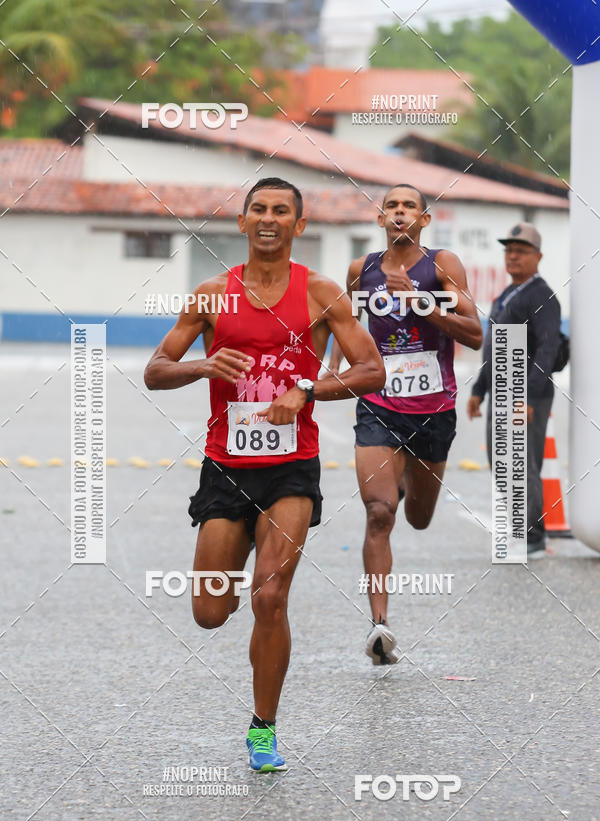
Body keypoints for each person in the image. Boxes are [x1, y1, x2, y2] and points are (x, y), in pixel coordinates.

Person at [144, 177, 385, 772]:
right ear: (243, 222)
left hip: (290, 472)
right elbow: (155, 370)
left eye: (282, 211)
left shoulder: (322, 293)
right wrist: (202, 365)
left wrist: (306, 389)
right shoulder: (210, 296)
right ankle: (235, 552)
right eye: (260, 210)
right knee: (208, 611)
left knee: (270, 598)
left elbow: (372, 370)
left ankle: (263, 729)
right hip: (227, 469)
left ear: (299, 226)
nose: (270, 218)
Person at [329, 184, 482, 665]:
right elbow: (345, 324)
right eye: (391, 206)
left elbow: (475, 333)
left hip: (434, 410)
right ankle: (379, 627)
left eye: (408, 207)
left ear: (424, 219)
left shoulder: (442, 266)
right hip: (378, 405)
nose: (399, 213)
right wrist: (333, 371)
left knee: (417, 517)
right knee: (379, 513)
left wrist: (422, 303)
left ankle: (417, 497)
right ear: (380, 219)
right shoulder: (362, 270)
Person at [467, 223, 561, 557]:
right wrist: (479, 389)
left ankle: (533, 536)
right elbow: (494, 348)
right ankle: (518, 527)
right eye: (509, 250)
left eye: (521, 251)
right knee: (501, 459)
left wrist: (530, 396)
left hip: (527, 392)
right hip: (502, 388)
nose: (513, 256)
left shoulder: (543, 296)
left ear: (539, 256)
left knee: (524, 461)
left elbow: (548, 349)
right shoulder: (505, 295)